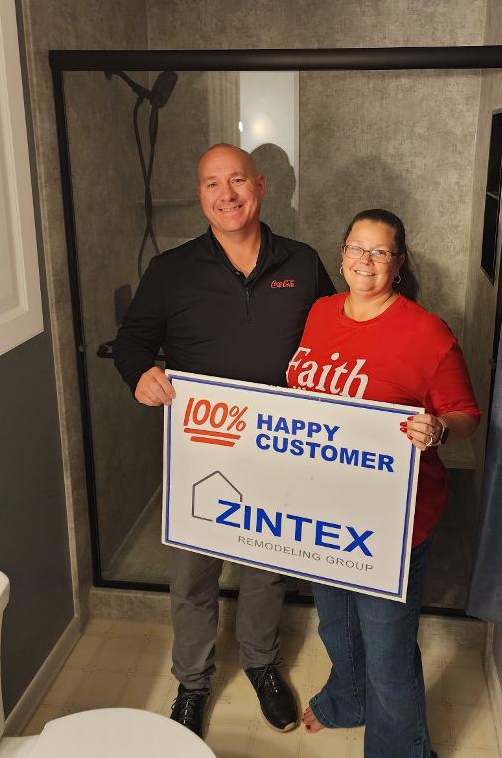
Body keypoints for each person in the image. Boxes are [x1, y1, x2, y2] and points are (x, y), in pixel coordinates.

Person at [113, 143, 335, 739]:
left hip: (277, 447)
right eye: (212, 183)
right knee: (193, 573)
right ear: (200, 195)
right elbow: (132, 341)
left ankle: (261, 662)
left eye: (237, 180)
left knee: (267, 565)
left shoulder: (303, 262)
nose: (226, 194)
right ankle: (193, 681)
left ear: (261, 186)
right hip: (202, 447)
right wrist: (140, 374)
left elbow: (334, 338)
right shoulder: (171, 269)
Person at [286, 208, 481, 758]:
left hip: (393, 518)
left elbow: (466, 414)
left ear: (399, 263)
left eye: (380, 251)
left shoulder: (427, 332)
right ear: (342, 253)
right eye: (356, 247)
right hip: (323, 508)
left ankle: (402, 750)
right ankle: (349, 700)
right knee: (335, 623)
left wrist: (439, 428)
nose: (365, 260)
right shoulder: (320, 312)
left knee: (389, 648)